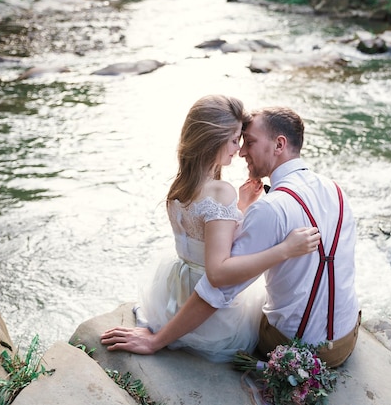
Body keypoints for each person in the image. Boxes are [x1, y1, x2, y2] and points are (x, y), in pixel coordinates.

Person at [101, 105, 360, 367]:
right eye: (239, 141)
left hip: (296, 348)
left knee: (246, 306)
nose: (243, 151)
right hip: (346, 337)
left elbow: (217, 289)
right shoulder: (335, 189)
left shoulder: (269, 208)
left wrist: (156, 341)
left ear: (279, 144)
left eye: (250, 142)